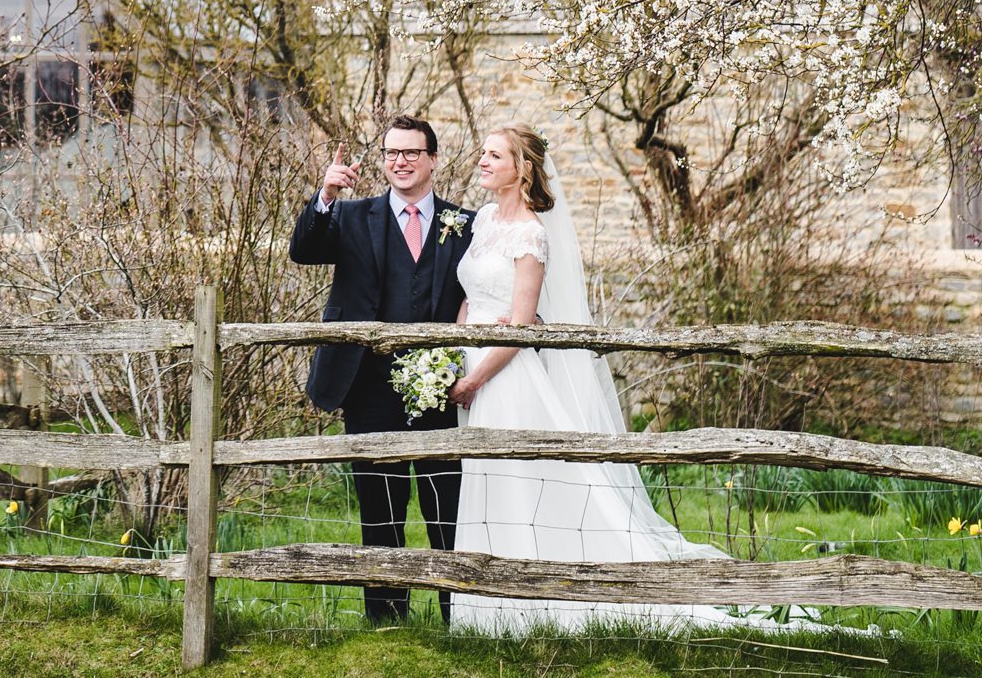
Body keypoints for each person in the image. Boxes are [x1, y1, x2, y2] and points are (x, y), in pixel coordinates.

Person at [449, 124, 764, 636]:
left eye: (493, 155)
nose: (482, 161)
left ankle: (534, 607)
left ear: (521, 168)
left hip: (505, 376)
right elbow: (471, 295)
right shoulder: (483, 220)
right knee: (483, 477)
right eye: (483, 153)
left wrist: (476, 377)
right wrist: (456, 346)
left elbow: (524, 323)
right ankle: (487, 614)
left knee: (518, 479)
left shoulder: (531, 234)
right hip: (471, 362)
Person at [289, 113, 475, 624]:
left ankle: (455, 614)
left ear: (432, 159)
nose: (401, 161)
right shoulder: (351, 216)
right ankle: (386, 620)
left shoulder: (465, 224)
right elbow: (302, 251)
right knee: (380, 508)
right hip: (366, 384)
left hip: (439, 386)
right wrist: (325, 193)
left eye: (412, 152)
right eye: (392, 152)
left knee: (448, 506)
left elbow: (485, 295)